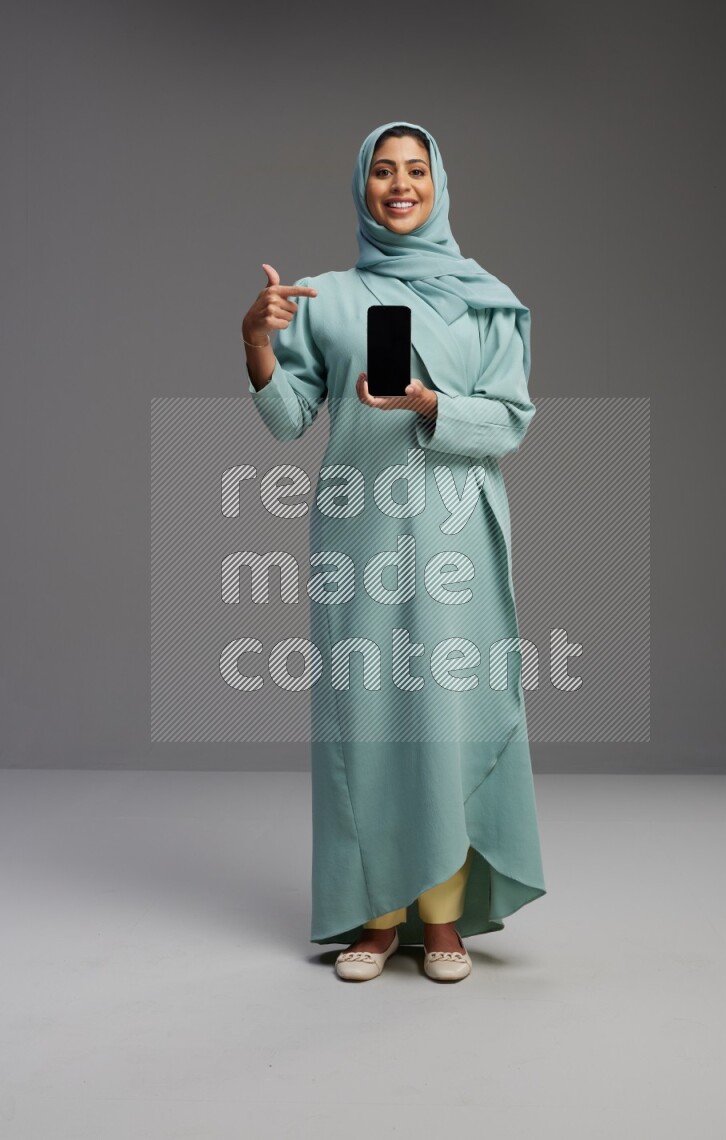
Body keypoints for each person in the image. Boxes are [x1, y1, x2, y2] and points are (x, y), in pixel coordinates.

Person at [241, 120, 546, 982]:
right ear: (362, 186)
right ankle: (375, 918)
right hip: (360, 537)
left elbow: (510, 421)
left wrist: (428, 405)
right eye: (383, 171)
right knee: (369, 725)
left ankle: (442, 920)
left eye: (415, 170)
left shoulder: (487, 299)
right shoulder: (325, 297)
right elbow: (288, 419)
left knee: (445, 721)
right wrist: (257, 341)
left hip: (457, 538)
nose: (399, 184)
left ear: (439, 184)